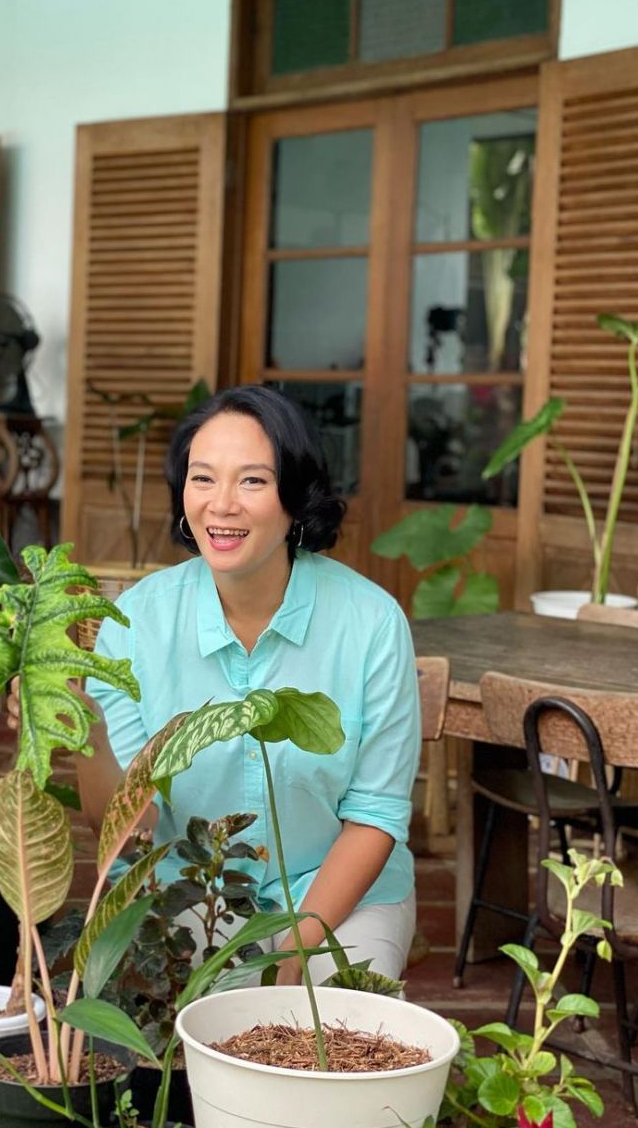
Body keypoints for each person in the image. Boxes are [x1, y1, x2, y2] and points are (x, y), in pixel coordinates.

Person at [74, 386, 421, 982]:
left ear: (295, 497)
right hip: (188, 892)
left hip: (337, 898)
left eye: (253, 481)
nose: (222, 504)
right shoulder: (134, 623)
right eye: (202, 479)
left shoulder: (372, 623)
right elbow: (132, 830)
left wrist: (294, 953)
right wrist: (88, 735)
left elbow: (374, 815)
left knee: (340, 1024)